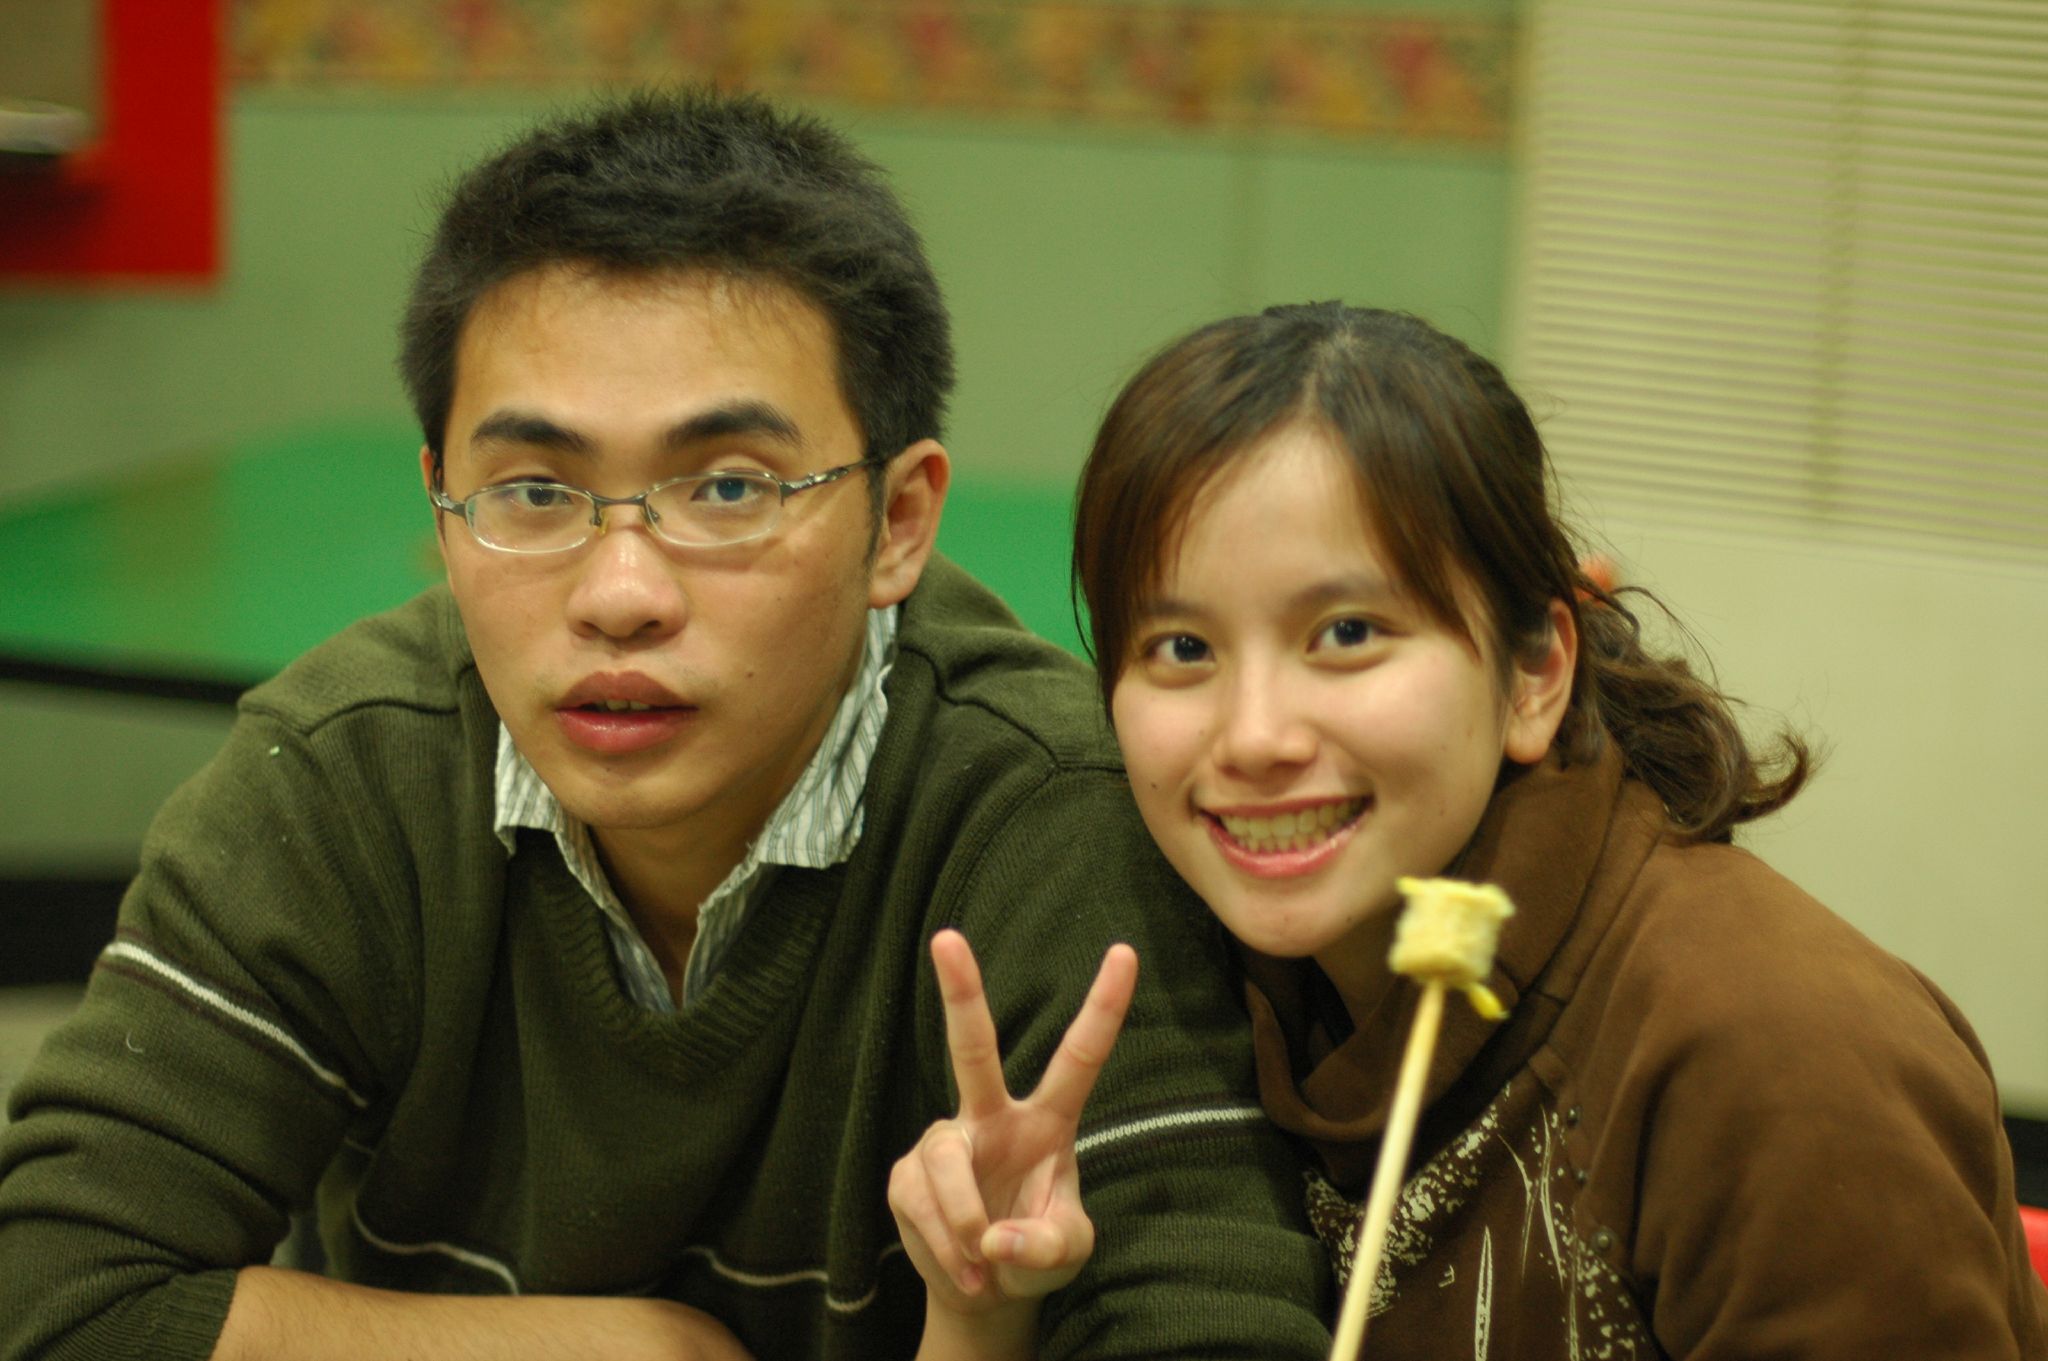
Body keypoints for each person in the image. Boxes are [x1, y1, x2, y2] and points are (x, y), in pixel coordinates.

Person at [0, 92, 1334, 1361]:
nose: (620, 593)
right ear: (440, 500)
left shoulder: (1044, 811)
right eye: (531, 490)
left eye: (730, 487)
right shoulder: (346, 774)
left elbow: (1214, 1329)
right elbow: (55, 1301)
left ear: (901, 521)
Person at [905, 300, 2048, 1355]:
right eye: (1182, 650)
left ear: (1533, 672)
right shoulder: (1219, 971)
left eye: (1345, 632)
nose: (1251, 735)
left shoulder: (1770, 1047)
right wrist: (984, 1304)